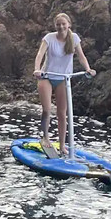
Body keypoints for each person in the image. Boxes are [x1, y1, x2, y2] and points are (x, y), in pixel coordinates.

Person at [33, 12, 95, 153]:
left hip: (63, 79)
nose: (61, 27)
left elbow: (81, 56)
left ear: (69, 25)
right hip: (46, 77)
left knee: (62, 113)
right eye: (58, 24)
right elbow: (40, 55)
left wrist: (88, 69)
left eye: (63, 24)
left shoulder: (74, 38)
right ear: (55, 26)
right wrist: (37, 69)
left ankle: (62, 146)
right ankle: (45, 138)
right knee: (47, 109)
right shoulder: (49, 38)